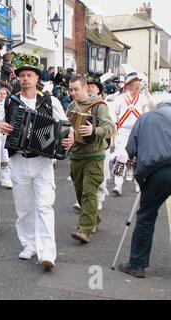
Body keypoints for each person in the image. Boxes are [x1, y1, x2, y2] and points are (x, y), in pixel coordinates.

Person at [0, 61, 74, 270]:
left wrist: (71, 138)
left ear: (36, 79)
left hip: (43, 161)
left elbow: (66, 126)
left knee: (44, 206)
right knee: (24, 207)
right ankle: (29, 244)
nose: (25, 79)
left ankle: (47, 253)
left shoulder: (50, 102)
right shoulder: (9, 102)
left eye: (29, 75)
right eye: (22, 76)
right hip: (18, 160)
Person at [118, 93, 171, 278]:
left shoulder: (146, 117)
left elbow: (131, 148)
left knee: (147, 215)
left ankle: (137, 264)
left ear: (153, 106)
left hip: (157, 171)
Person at [67, 76, 116, 244]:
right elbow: (65, 129)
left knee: (89, 191)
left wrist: (94, 130)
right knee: (80, 192)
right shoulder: (71, 107)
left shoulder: (99, 105)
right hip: (76, 155)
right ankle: (93, 218)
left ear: (85, 88)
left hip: (94, 156)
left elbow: (111, 128)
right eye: (70, 90)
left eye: (76, 89)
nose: (73, 93)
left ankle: (85, 229)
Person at [110, 72, 151, 196]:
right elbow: (113, 114)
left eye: (138, 84)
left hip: (138, 132)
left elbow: (147, 114)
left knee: (138, 159)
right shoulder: (120, 99)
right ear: (128, 85)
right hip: (122, 132)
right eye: (135, 84)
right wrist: (114, 130)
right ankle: (118, 184)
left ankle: (138, 183)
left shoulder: (143, 98)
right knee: (121, 158)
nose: (137, 87)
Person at [0, 87, 12, 189]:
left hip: (4, 134)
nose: (2, 95)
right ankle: (1, 175)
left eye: (4, 93)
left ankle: (5, 178)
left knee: (5, 157)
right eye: (0, 93)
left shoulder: (8, 104)